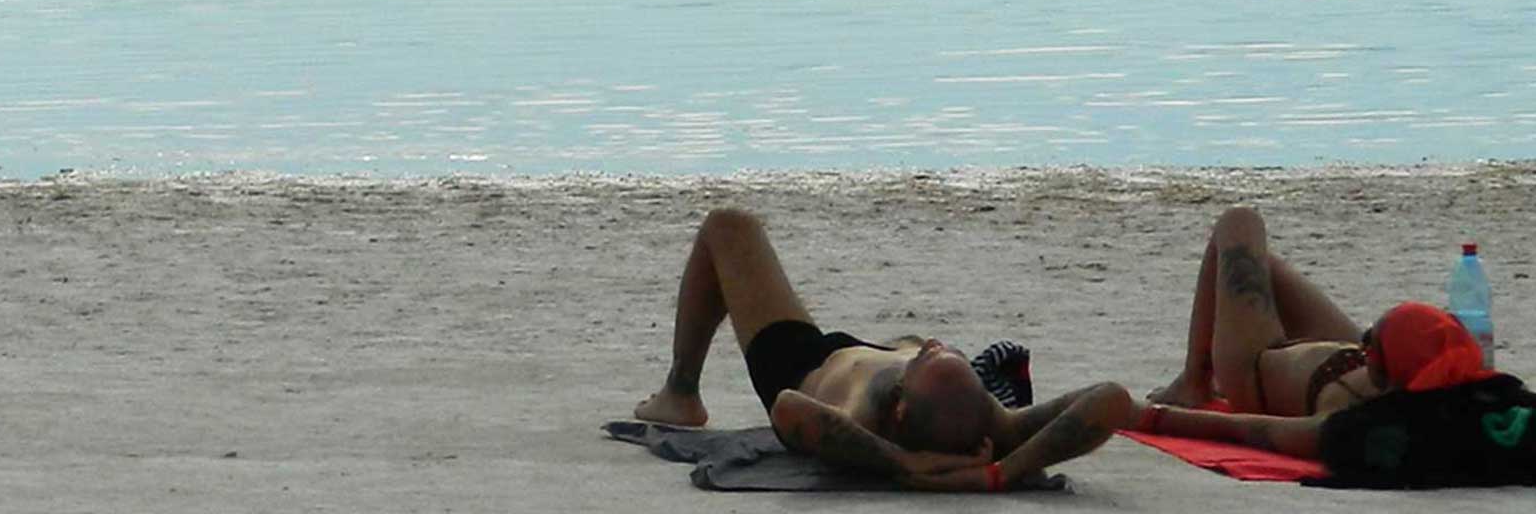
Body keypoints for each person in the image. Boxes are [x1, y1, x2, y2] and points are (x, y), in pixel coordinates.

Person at [630, 207, 1132, 492]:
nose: (932, 346)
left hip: (807, 360)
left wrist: (902, 464)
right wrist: (1004, 471)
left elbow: (788, 408)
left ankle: (681, 392)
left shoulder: (861, 416)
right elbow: (1112, 398)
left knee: (727, 226)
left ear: (897, 405)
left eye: (925, 360)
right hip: (882, 364)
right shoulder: (996, 428)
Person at [1138, 204, 1507, 461]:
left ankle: (1194, 381)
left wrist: (1146, 416)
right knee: (1258, 264)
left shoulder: (1342, 424)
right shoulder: (1448, 388)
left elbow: (1248, 429)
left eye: (1373, 343)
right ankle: (1203, 375)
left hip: (1255, 369)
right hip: (1340, 355)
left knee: (1238, 224)